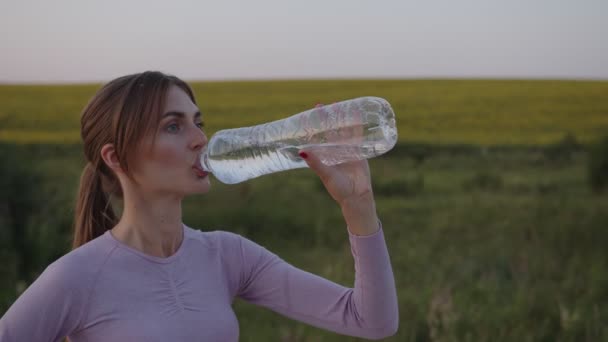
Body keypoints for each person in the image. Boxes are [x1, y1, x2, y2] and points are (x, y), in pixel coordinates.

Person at [0, 71, 399, 341]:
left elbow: (372, 320)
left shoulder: (229, 256)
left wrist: (357, 204)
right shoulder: (74, 277)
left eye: (198, 122)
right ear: (116, 158)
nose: (199, 139)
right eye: (173, 126)